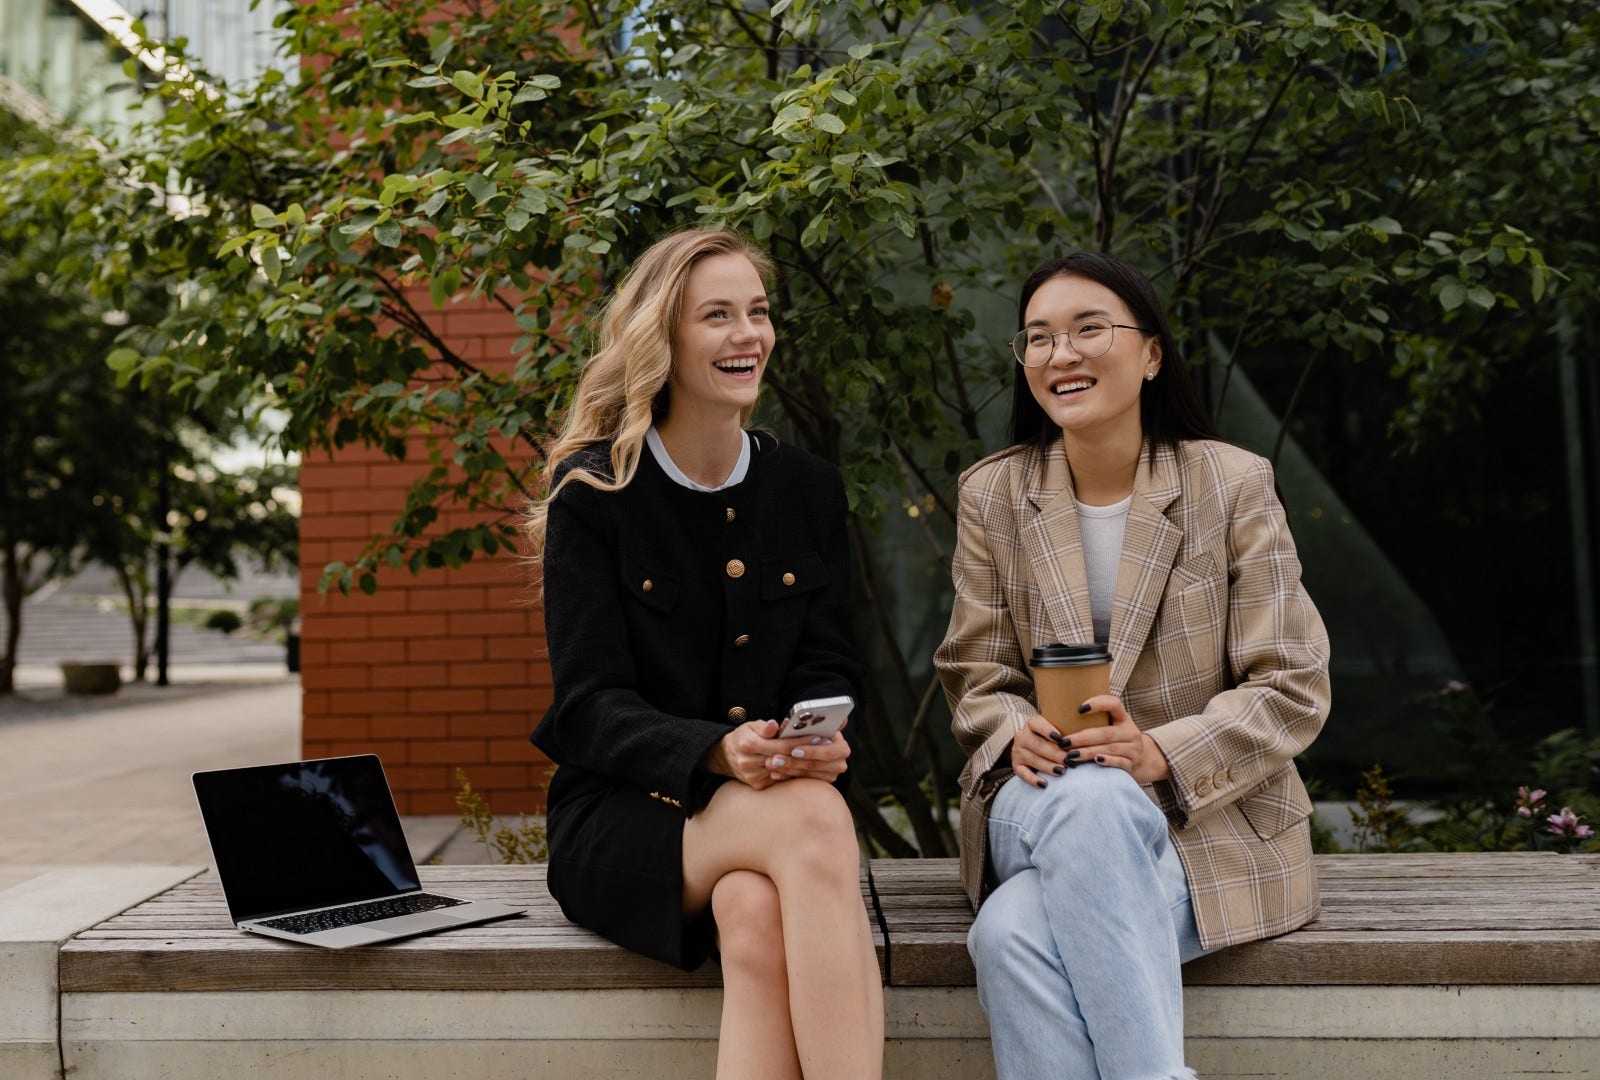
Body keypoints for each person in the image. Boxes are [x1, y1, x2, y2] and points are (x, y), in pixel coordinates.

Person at [933, 252, 1331, 1079]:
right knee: (1092, 797)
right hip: (1037, 804)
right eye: (1038, 338)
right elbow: (975, 673)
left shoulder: (1230, 485)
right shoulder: (995, 495)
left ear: (1151, 353)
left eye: (1088, 329)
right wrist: (1014, 733)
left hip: (1208, 823)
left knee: (1010, 938)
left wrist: (1161, 752)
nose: (1060, 354)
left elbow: (1291, 682)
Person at [525, 228, 884, 1079]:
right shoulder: (595, 493)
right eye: (716, 316)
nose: (747, 335)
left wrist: (821, 729)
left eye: (757, 313)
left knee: (755, 917)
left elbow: (829, 660)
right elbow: (586, 706)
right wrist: (714, 752)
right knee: (817, 824)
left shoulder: (806, 489)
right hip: (626, 822)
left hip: (767, 812)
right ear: (664, 338)